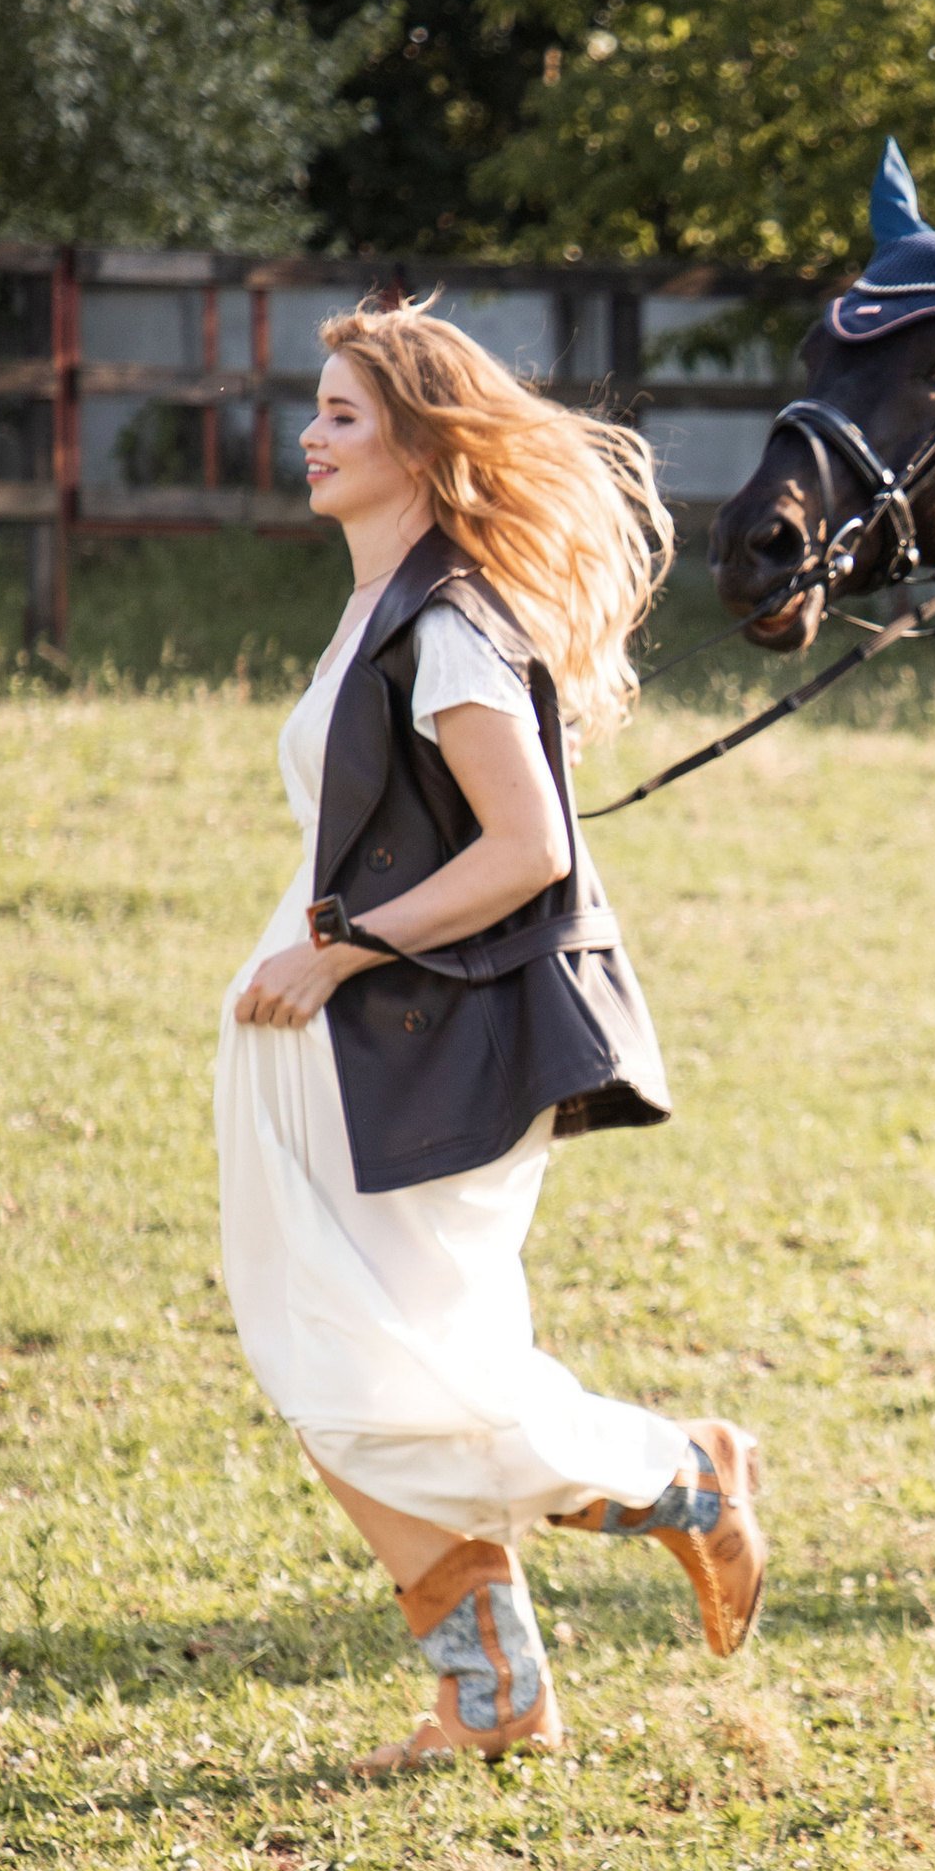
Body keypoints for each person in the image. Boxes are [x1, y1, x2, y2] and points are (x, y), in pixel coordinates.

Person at [216, 300, 764, 1771]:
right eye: (317, 409)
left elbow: (525, 849)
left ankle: (678, 1475)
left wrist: (337, 954)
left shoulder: (448, 622)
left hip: (403, 1036)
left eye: (343, 413)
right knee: (331, 1368)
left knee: (393, 1377)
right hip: (335, 1038)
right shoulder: (384, 600)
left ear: (417, 438)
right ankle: (490, 1691)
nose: (311, 436)